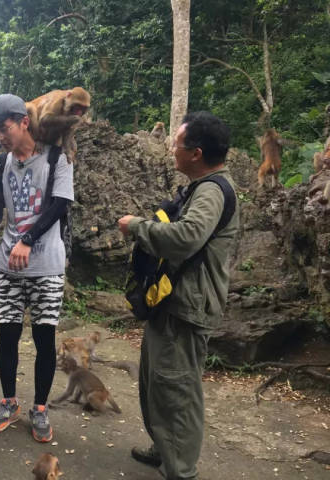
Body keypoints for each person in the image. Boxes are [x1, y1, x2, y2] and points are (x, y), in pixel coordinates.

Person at [118, 112, 239, 480]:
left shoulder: (213, 191)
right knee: (157, 382)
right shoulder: (200, 186)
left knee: (177, 389)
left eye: (178, 145)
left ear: (197, 153)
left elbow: (188, 237)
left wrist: (137, 226)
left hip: (187, 308)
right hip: (170, 302)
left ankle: (181, 470)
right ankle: (164, 449)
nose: (172, 150)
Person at [0, 94, 74, 443]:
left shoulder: (55, 158)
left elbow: (60, 205)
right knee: (7, 334)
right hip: (7, 266)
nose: (0, 136)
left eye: (3, 128)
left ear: (22, 122)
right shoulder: (0, 164)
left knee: (44, 337)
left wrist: (27, 239)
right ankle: (8, 402)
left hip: (46, 264)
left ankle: (40, 408)